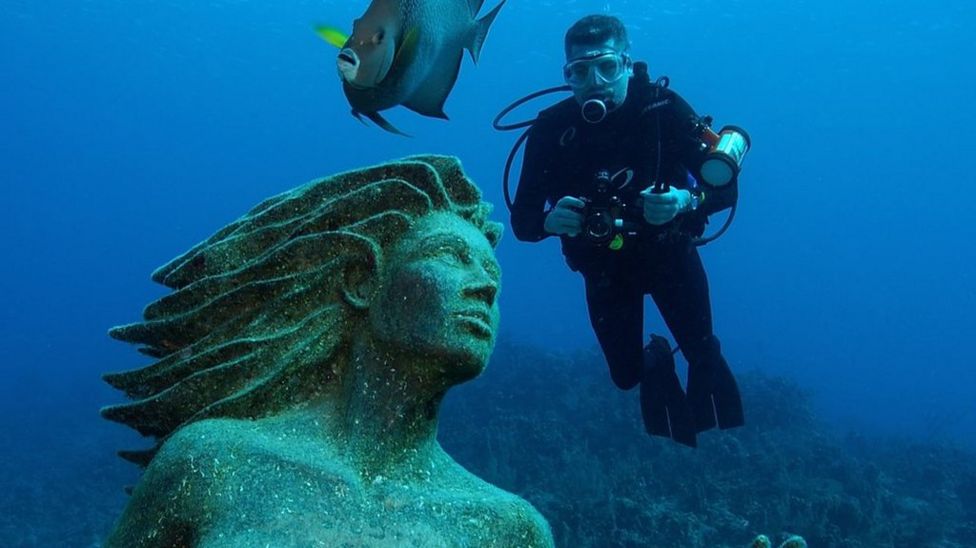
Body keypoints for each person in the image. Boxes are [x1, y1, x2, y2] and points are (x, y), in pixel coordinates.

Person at [101, 156, 554, 547]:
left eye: (492, 271)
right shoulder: (212, 463)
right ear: (361, 281)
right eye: (450, 256)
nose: (487, 286)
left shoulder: (509, 529)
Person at [510, 15, 745, 448]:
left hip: (671, 256)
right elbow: (522, 222)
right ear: (567, 75)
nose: (593, 81)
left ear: (626, 62)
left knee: (702, 352)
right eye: (578, 71)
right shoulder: (550, 129)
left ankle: (701, 410)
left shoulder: (663, 109)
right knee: (625, 377)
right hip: (604, 271)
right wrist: (547, 222)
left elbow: (726, 189)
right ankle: (656, 359)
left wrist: (684, 201)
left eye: (605, 67)